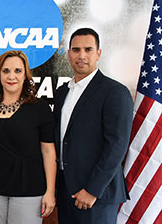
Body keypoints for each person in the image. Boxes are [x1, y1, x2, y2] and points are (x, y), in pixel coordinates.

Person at [55, 28, 133, 223]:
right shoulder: (62, 92)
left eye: (88, 49)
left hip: (98, 195)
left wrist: (92, 190)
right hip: (66, 191)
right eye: (76, 49)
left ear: (98, 53)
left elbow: (117, 145)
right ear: (69, 54)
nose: (81, 55)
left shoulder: (114, 92)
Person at [0, 50, 56, 223]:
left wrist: (50, 192)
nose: (11, 76)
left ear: (26, 75)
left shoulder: (39, 108)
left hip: (29, 191)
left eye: (18, 71)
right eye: (6, 71)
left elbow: (48, 152)